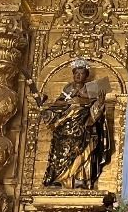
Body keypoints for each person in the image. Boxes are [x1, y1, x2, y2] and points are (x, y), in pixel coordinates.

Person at [37, 61, 114, 190]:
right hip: (65, 131)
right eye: (76, 73)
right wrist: (48, 112)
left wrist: (99, 103)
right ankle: (59, 179)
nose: (78, 76)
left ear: (86, 76)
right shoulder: (67, 89)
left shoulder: (91, 91)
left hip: (84, 129)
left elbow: (95, 113)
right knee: (62, 154)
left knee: (83, 154)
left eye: (81, 73)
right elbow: (57, 106)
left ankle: (80, 180)